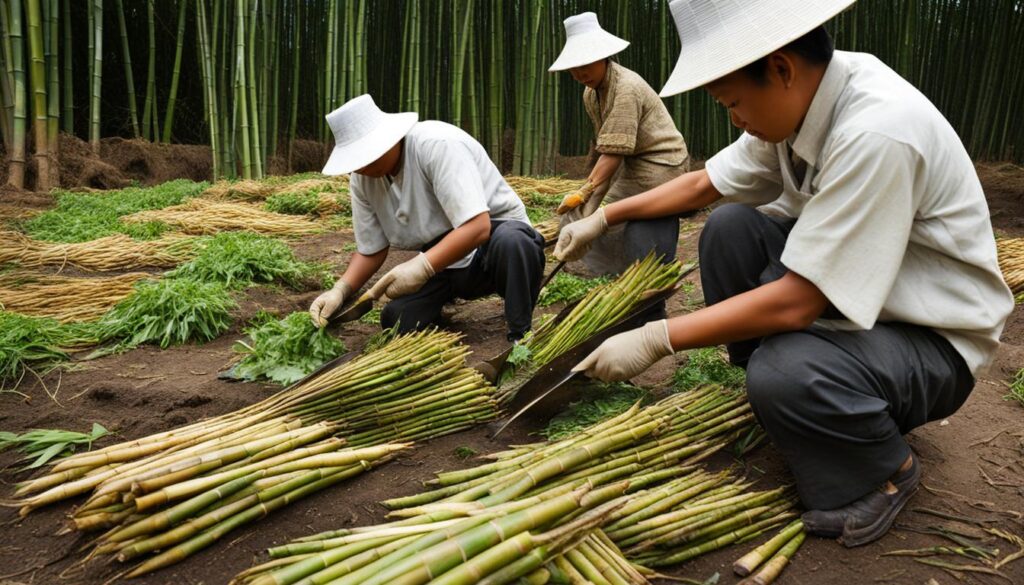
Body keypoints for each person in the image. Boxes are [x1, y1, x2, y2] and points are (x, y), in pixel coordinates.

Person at [557, 0, 1014, 546]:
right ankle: (776, 392)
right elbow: (706, 185)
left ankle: (884, 470)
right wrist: (604, 215)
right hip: (868, 302)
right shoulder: (802, 105)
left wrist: (658, 337)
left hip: (931, 341)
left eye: (733, 103)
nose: (735, 118)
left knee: (786, 372)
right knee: (728, 227)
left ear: (780, 68)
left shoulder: (877, 130)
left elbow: (798, 302)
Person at [309, 95, 545, 341]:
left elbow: (478, 227)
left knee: (515, 241)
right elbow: (371, 250)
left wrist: (422, 266)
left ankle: (520, 334)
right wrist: (341, 289)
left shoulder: (436, 145)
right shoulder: (362, 179)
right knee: (396, 319)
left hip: (491, 249)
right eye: (356, 161)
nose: (362, 166)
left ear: (389, 138)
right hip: (444, 260)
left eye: (367, 154)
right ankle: (440, 316)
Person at [549, 12, 689, 276]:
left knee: (602, 217)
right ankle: (607, 270)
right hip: (631, 163)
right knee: (584, 215)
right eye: (574, 67)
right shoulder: (591, 93)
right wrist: (586, 197)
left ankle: (624, 271)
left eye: (586, 64)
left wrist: (586, 193)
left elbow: (612, 155)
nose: (580, 73)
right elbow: (606, 146)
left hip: (662, 165)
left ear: (604, 57)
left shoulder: (626, 87)